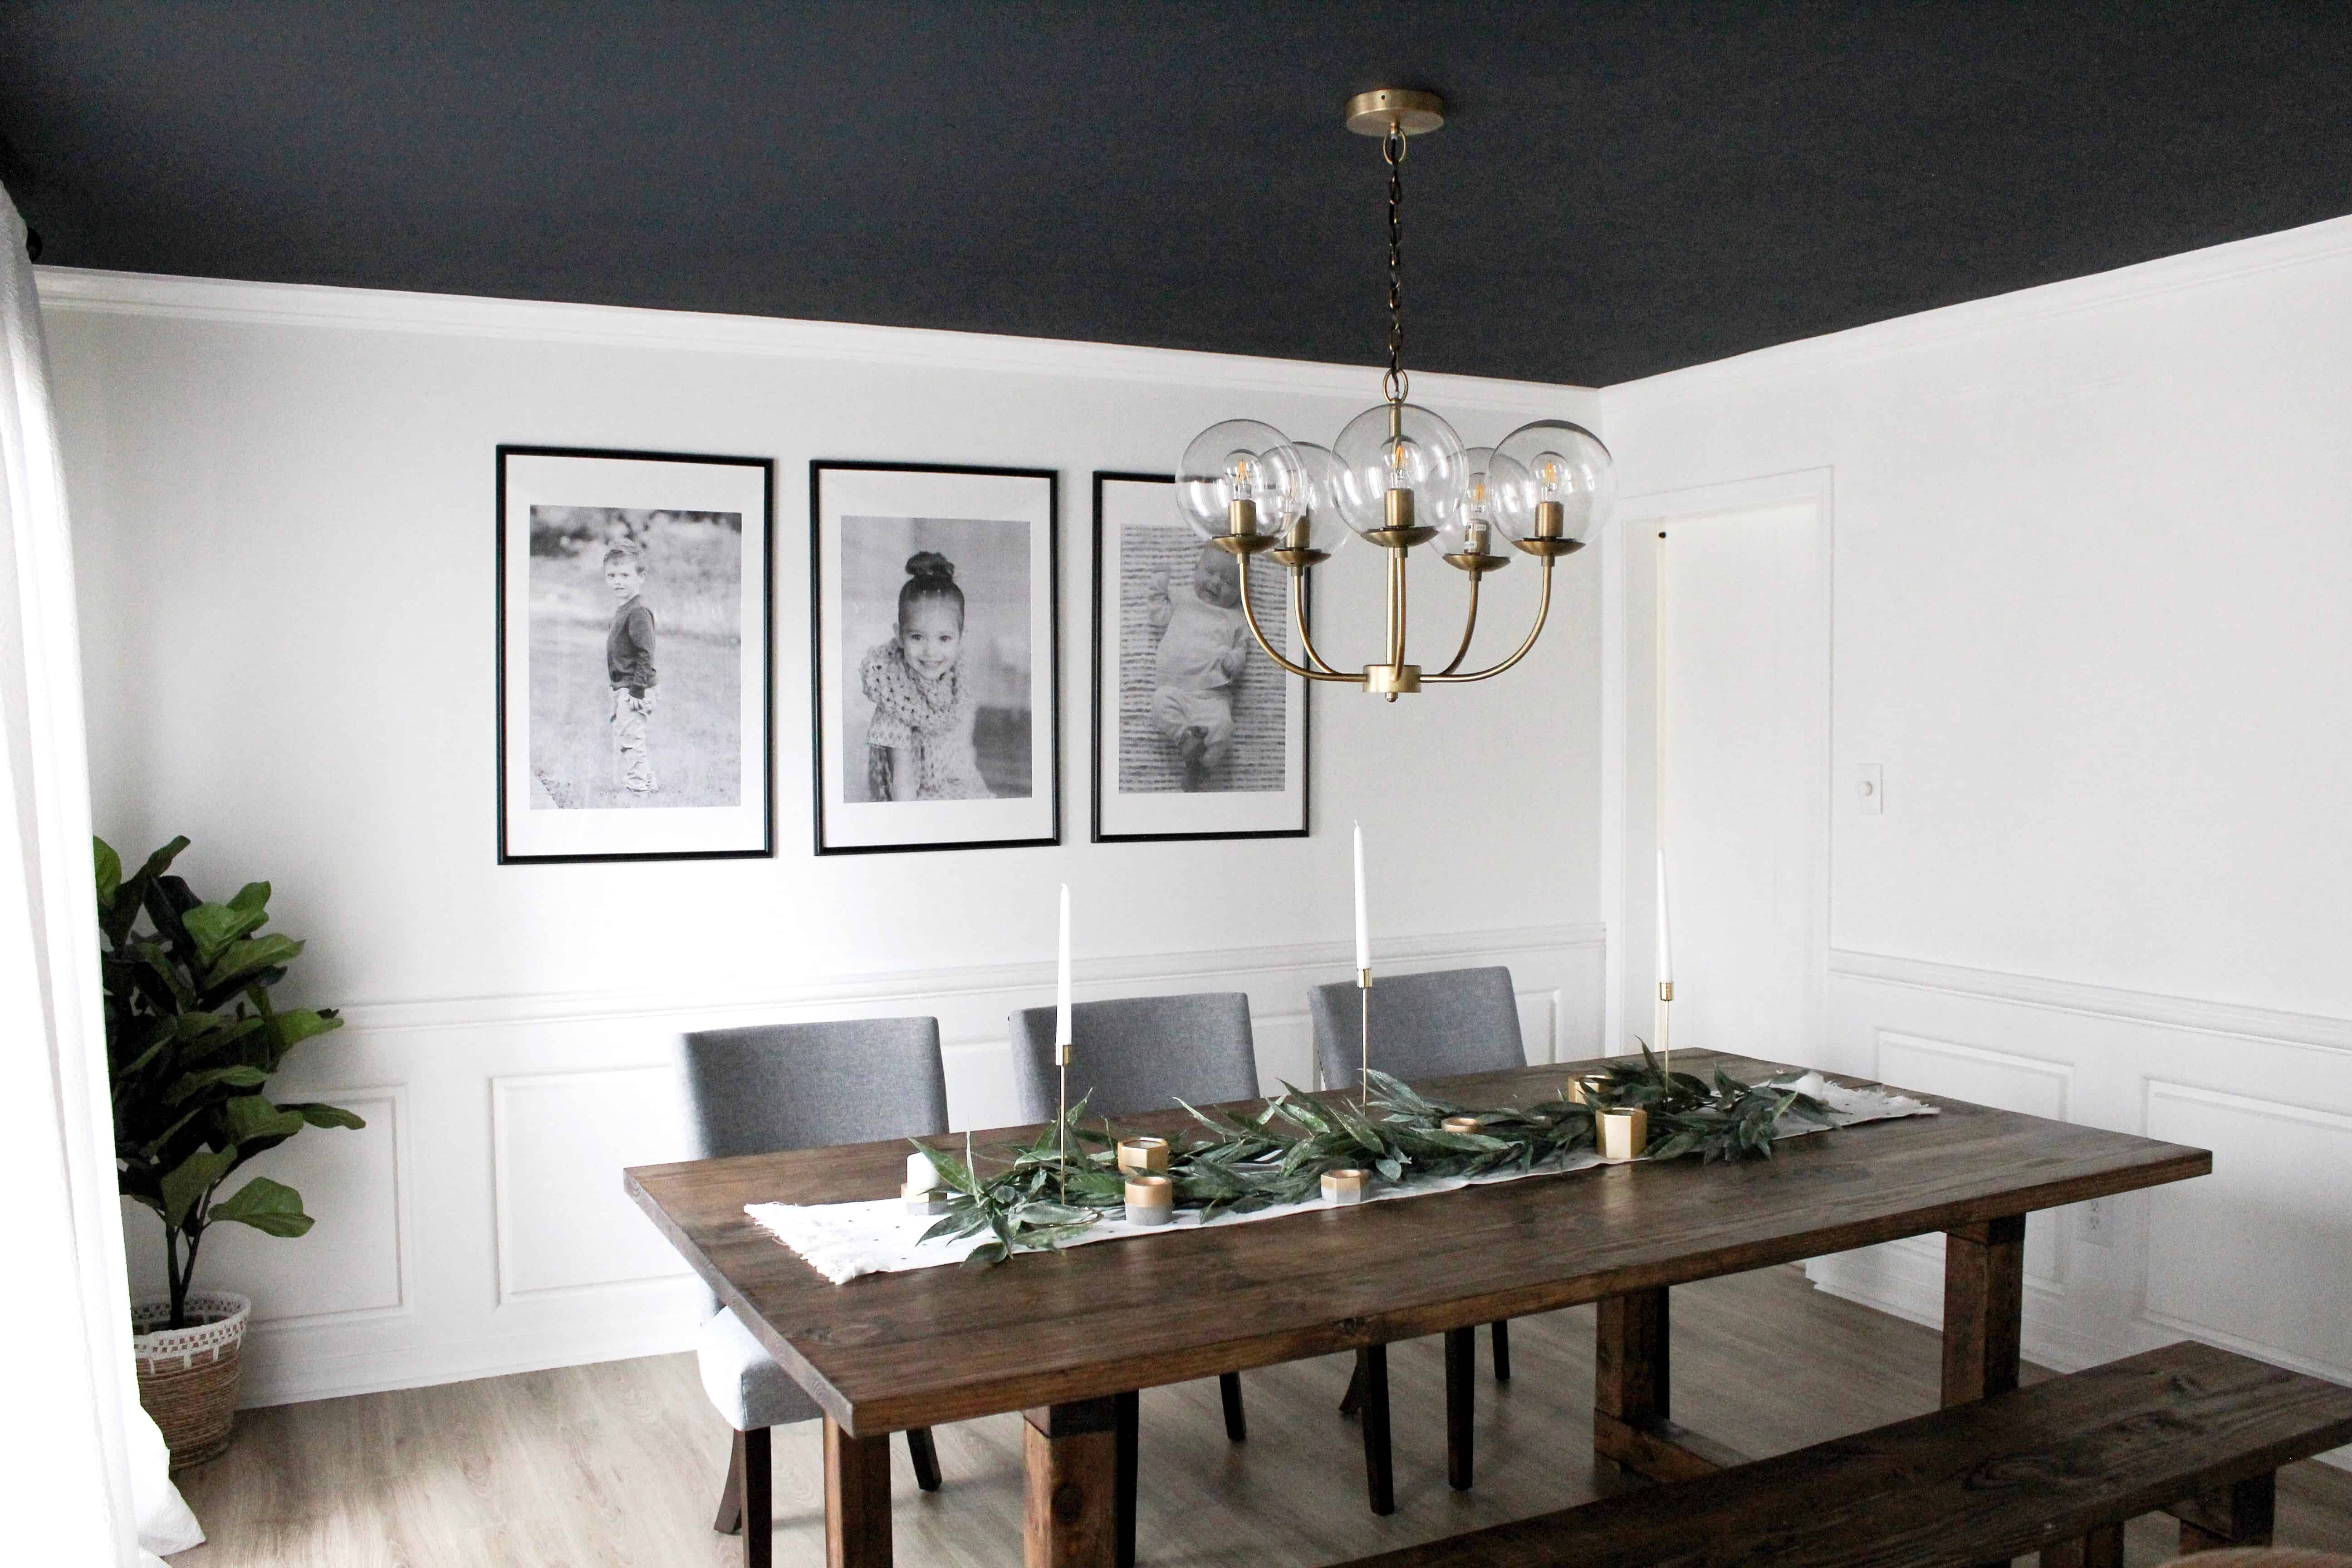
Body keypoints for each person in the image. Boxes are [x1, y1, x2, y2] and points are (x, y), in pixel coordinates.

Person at [861, 551, 991, 800]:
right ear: (900, 636)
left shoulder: (956, 681)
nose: (931, 652)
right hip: (911, 795)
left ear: (960, 638)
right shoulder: (896, 701)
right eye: (918, 637)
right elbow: (903, 782)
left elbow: (960, 749)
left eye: (944, 638)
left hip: (951, 780)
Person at [1148, 540, 1253, 789]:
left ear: (1241, 592)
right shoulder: (1183, 598)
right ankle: (1185, 737)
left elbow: (1242, 649)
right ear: (1196, 569)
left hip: (1212, 696)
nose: (1217, 583)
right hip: (1175, 690)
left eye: (1228, 582)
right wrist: (1158, 586)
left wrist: (1234, 661)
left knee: (1224, 726)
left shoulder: (1236, 617)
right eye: (1210, 573)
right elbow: (1158, 616)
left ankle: (1200, 766)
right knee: (1159, 704)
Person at [603, 544, 660, 796]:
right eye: (612, 576)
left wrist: (637, 690)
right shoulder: (624, 608)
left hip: (636, 688)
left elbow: (646, 654)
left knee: (631, 740)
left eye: (625, 575)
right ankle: (648, 781)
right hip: (624, 686)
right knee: (627, 735)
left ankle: (638, 791)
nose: (617, 581)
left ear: (641, 577)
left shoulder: (638, 611)